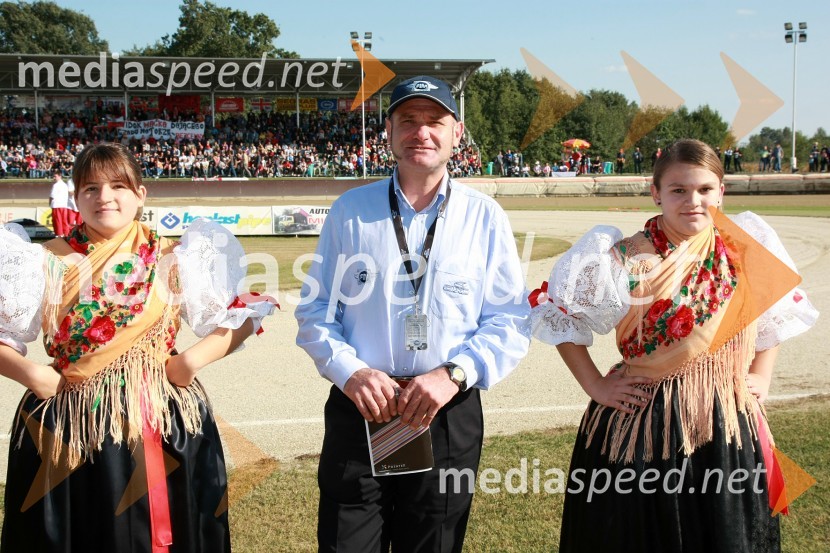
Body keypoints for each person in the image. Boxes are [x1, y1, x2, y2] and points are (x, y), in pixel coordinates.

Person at [530, 139, 818, 552]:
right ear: (656, 192)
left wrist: (762, 373)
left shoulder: (744, 246)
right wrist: (595, 385)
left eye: (704, 189)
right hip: (643, 425)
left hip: (726, 423)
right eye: (678, 190)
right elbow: (559, 317)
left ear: (721, 191)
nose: (693, 201)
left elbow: (770, 314)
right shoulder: (624, 257)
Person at [0, 143, 276, 552]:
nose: (104, 197)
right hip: (70, 426)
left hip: (162, 421)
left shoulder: (179, 256)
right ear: (76, 197)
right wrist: (33, 374)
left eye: (117, 185)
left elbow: (243, 314)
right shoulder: (41, 260)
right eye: (90, 188)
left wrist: (190, 361)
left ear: (141, 195)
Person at [295, 75, 530, 553]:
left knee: (433, 544)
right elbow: (316, 310)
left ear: (456, 133)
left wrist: (453, 375)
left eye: (434, 121)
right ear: (388, 131)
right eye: (408, 120)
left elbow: (509, 319)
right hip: (363, 405)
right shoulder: (350, 211)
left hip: (445, 410)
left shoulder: (485, 217)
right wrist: (351, 371)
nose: (421, 132)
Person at [49, 171, 70, 237]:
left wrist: (49, 203)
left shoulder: (56, 185)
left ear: (60, 176)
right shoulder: (65, 185)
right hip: (64, 205)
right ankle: (66, 234)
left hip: (56, 205)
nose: (54, 178)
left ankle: (59, 234)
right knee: (64, 221)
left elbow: (52, 196)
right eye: (53, 176)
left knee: (57, 221)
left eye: (55, 176)